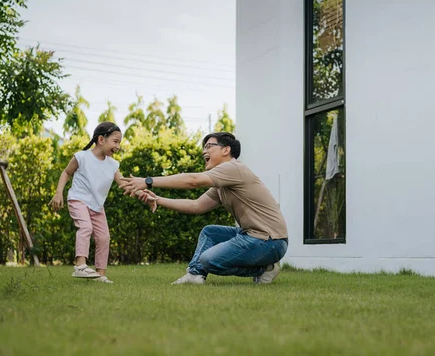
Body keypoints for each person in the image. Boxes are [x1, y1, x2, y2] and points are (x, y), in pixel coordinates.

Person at [121, 132, 288, 285]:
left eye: (209, 146)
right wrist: (157, 199)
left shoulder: (233, 168)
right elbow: (196, 206)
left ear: (226, 150)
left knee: (208, 260)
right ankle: (195, 274)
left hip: (270, 240)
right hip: (254, 236)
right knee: (210, 232)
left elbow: (193, 180)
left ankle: (264, 269)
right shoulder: (223, 182)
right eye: (204, 147)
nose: (204, 151)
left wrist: (148, 181)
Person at [49, 122, 155, 284]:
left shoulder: (112, 165)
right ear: (101, 139)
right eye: (115, 141)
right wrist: (58, 193)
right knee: (86, 227)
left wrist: (145, 196)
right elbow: (66, 173)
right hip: (78, 199)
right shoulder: (82, 157)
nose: (118, 146)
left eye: (119, 142)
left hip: (97, 206)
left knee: (104, 237)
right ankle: (80, 265)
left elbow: (124, 185)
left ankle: (100, 274)